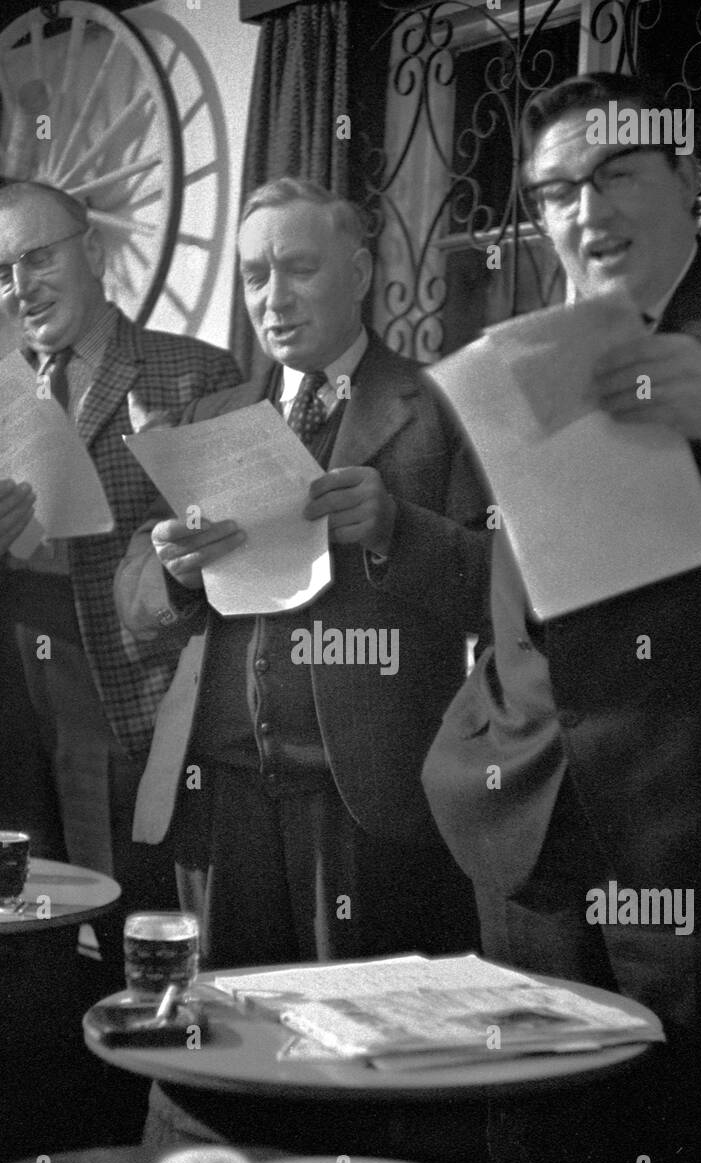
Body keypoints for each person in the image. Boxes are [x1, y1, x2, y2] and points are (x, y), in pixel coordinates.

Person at [422, 72, 701, 1163]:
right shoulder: (521, 353)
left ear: (687, 176)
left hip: (696, 839)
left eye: (613, 174)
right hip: (527, 829)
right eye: (555, 192)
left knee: (687, 1158)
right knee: (534, 1156)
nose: (583, 211)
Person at [116, 177, 489, 972]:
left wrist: (401, 531)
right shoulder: (208, 419)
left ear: (357, 275)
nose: (273, 297)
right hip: (216, 799)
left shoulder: (442, 407)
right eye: (254, 276)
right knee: (223, 1049)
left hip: (365, 807)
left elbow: (502, 596)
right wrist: (173, 571)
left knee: (357, 1061)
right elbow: (132, 604)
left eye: (298, 268)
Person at [0, 180, 241, 976]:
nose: (20, 286)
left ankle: (131, 1082)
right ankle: (44, 1084)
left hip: (127, 680)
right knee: (14, 921)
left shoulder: (192, 373)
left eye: (38, 257)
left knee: (132, 906)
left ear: (91, 249)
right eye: (0, 272)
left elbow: (231, 545)